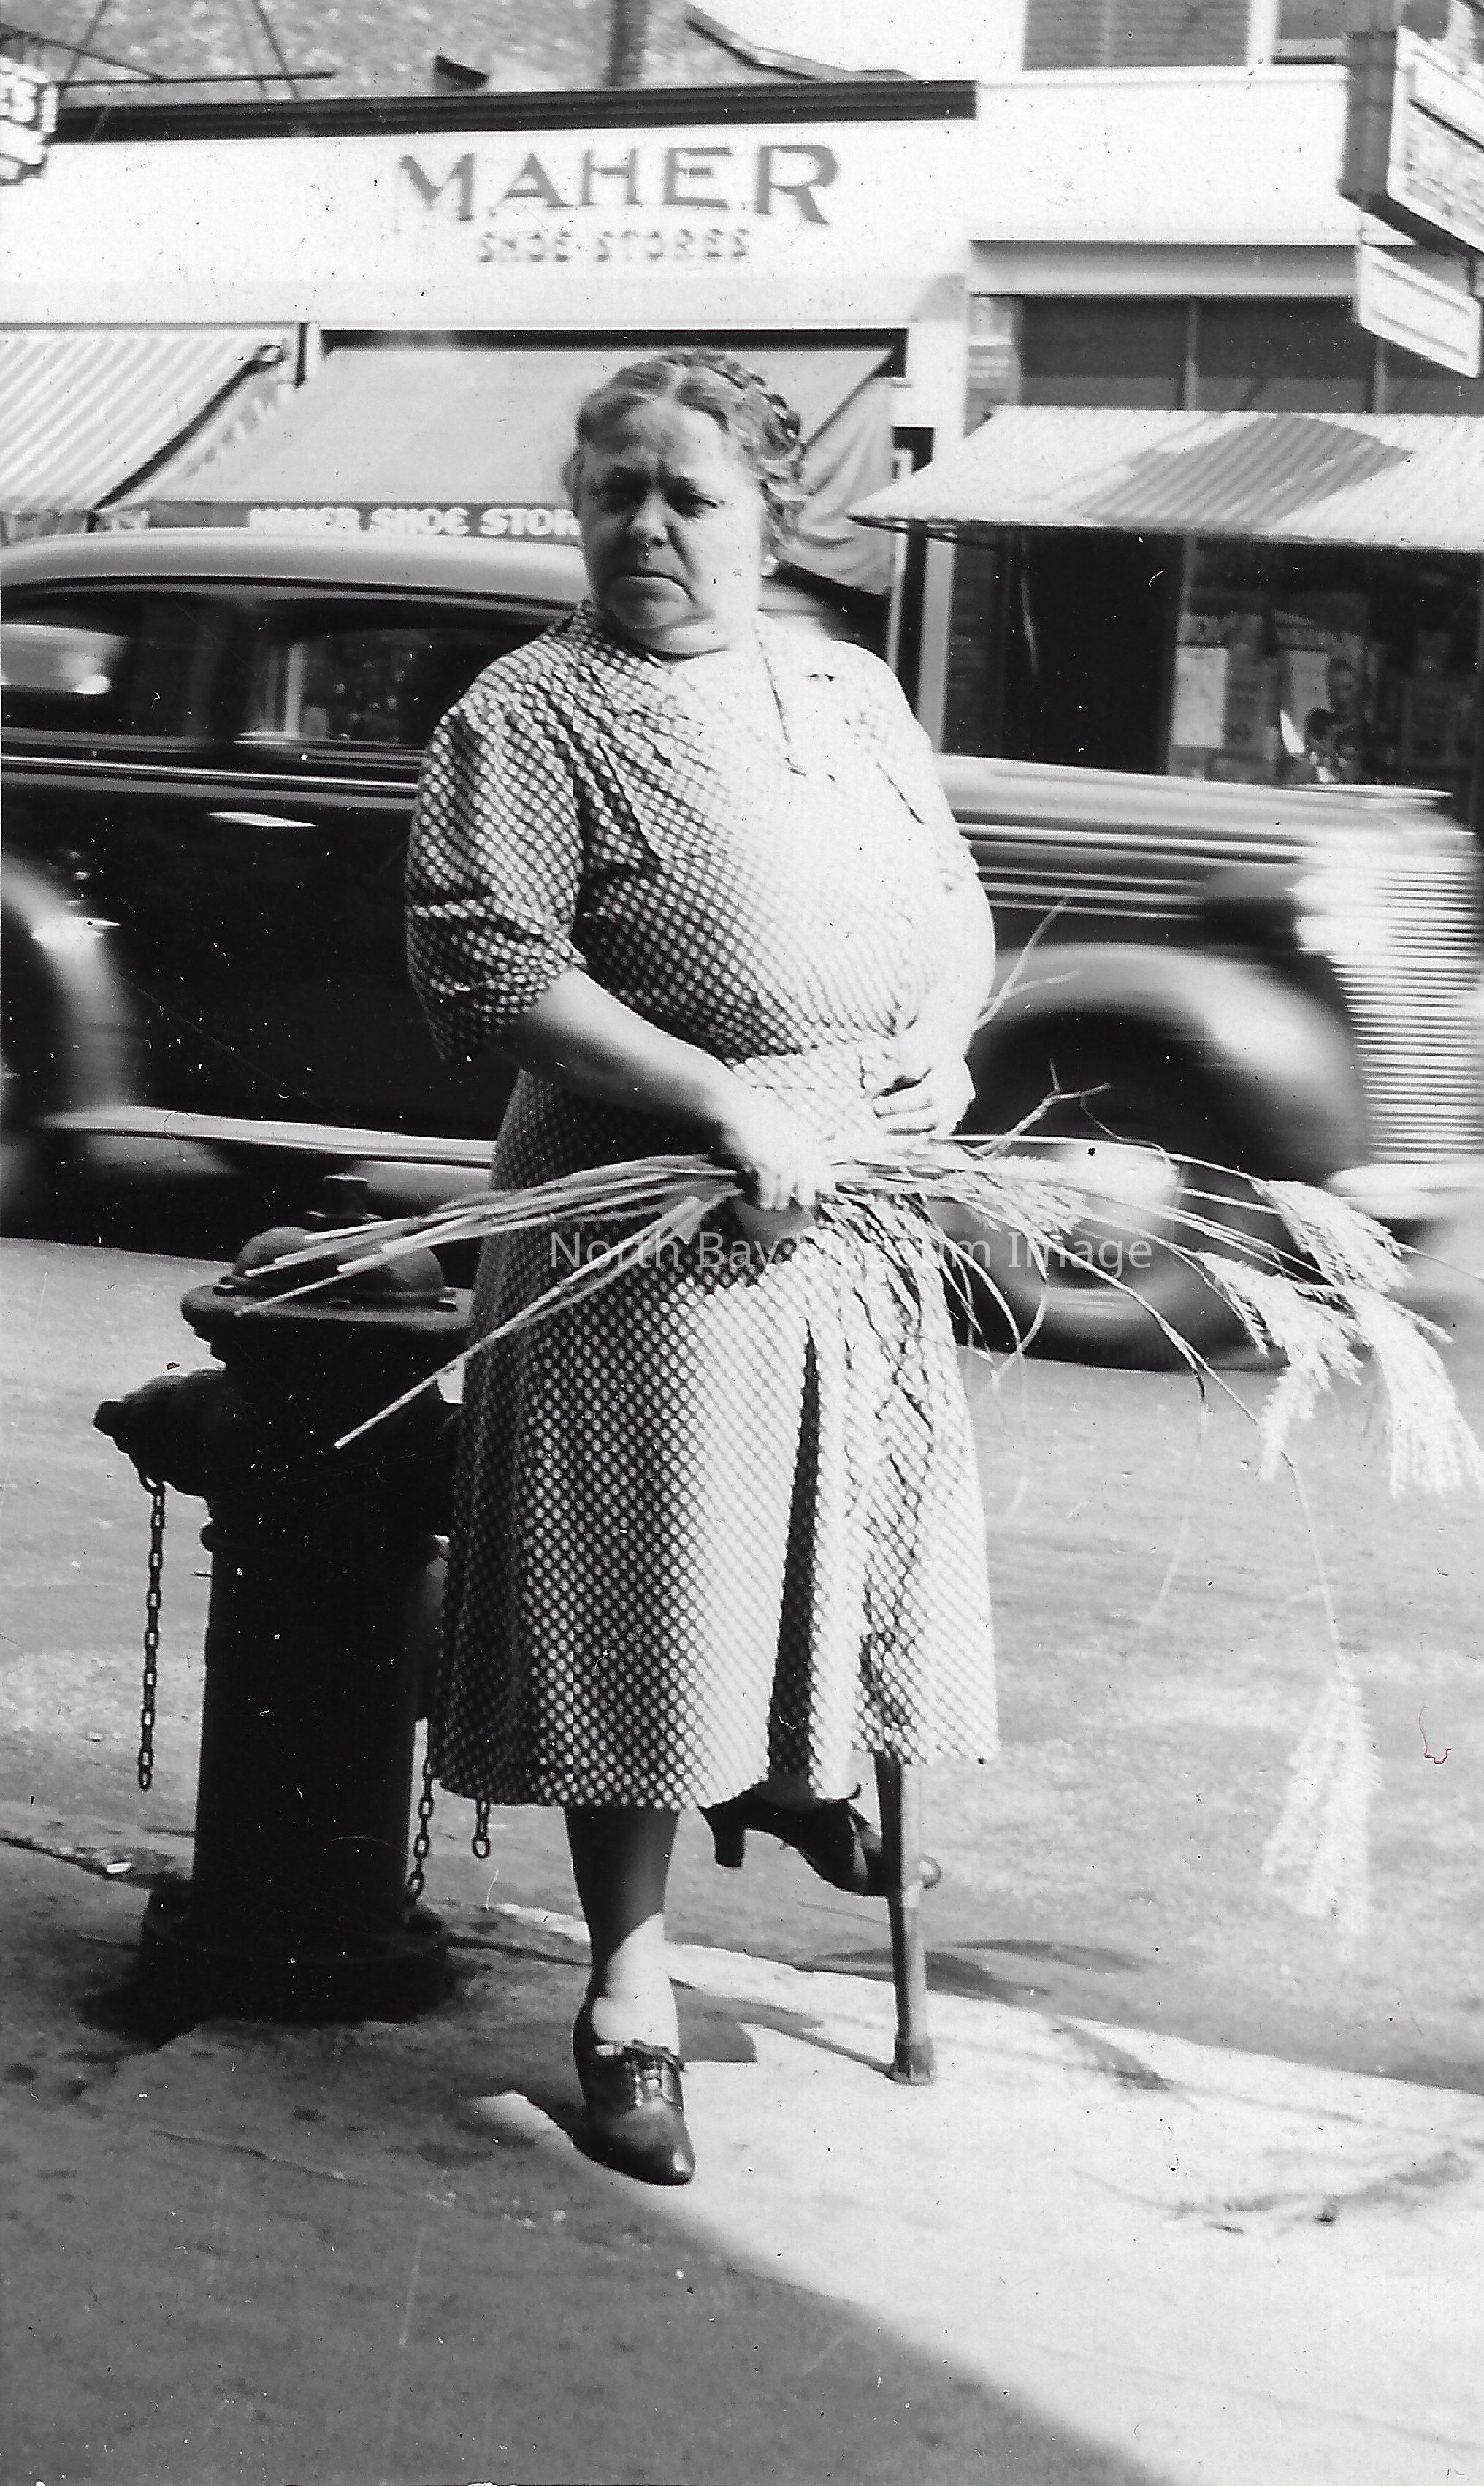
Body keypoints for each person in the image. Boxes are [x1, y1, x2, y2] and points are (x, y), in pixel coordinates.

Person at [405, 349, 998, 2186]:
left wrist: (946, 1042)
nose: (645, 526)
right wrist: (719, 1096)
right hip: (641, 1214)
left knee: (837, 1544)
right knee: (651, 1591)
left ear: (771, 514)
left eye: (690, 495)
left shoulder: (848, 686)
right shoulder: (527, 712)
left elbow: (953, 899)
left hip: (858, 1200)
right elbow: (486, 965)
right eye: (615, 493)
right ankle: (627, 1996)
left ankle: (793, 1771)